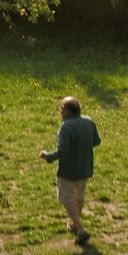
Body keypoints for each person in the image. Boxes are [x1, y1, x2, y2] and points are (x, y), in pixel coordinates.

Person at [41, 93, 100, 244]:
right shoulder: (88, 122)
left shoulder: (66, 127)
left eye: (61, 108)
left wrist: (48, 156)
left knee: (66, 198)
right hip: (85, 167)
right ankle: (74, 224)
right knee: (79, 197)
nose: (60, 111)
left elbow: (63, 151)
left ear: (68, 111)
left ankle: (80, 229)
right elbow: (96, 141)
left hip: (68, 171)